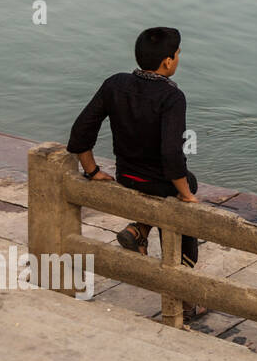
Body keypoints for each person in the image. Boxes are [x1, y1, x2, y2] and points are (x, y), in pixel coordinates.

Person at [66, 27, 208, 319]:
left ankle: (139, 230)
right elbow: (171, 156)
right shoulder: (172, 96)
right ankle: (186, 299)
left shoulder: (116, 83)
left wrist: (92, 171)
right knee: (186, 202)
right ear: (168, 62)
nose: (178, 58)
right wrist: (186, 195)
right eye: (178, 54)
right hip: (159, 182)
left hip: (127, 176)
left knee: (175, 188)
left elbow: (81, 130)